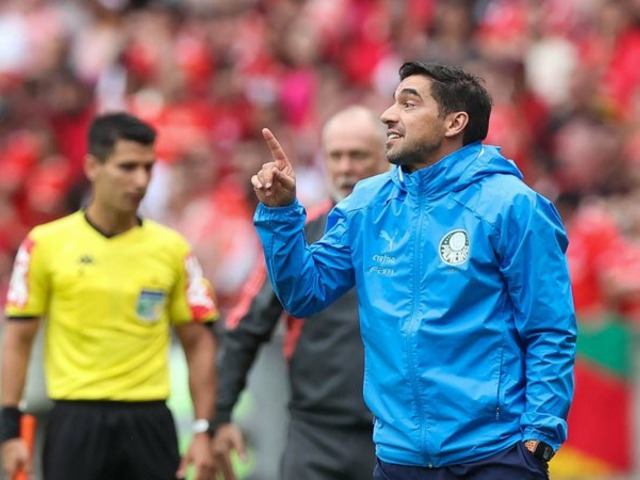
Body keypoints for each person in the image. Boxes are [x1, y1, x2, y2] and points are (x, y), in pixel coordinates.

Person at [250, 62, 577, 480]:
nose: (388, 115)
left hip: (494, 455)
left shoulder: (513, 206)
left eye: (409, 104)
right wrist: (281, 215)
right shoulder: (367, 204)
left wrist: (539, 437)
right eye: (393, 103)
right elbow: (304, 294)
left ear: (454, 123)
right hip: (398, 458)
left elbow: (549, 329)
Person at [0, 112, 219, 480]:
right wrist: (9, 431)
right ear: (92, 166)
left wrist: (203, 430)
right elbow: (18, 339)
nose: (141, 180)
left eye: (148, 168)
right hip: (75, 421)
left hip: (150, 421)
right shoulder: (46, 244)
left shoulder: (172, 249)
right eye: (127, 167)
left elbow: (199, 343)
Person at [211, 106, 389, 480]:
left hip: (394, 435)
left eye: (358, 155)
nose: (345, 168)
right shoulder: (298, 234)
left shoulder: (412, 231)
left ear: (388, 157)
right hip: (315, 435)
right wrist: (219, 416)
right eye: (335, 156)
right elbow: (245, 326)